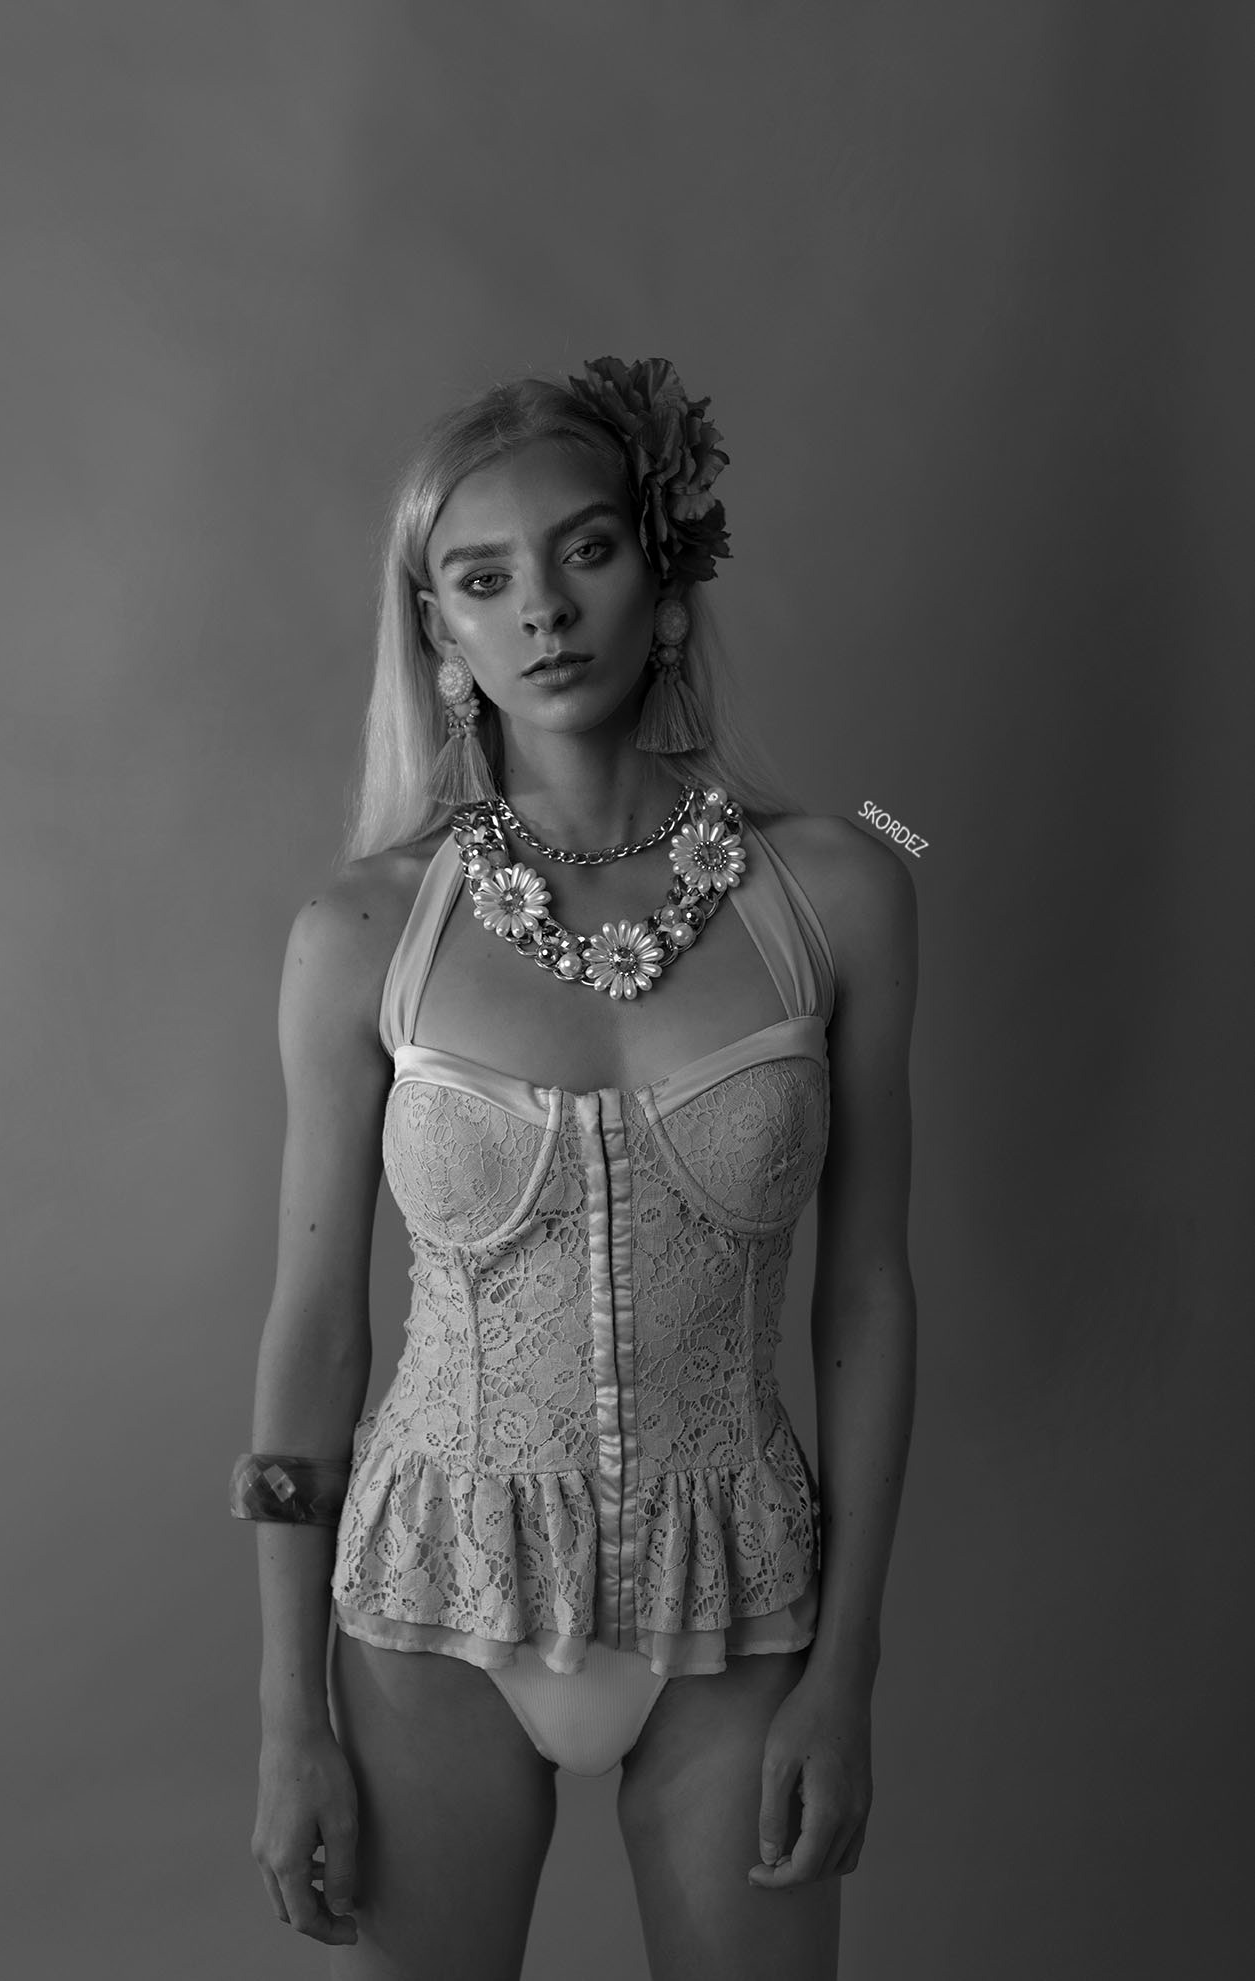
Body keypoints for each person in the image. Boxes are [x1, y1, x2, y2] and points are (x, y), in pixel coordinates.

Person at [231, 355, 918, 1981]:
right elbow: (314, 1334)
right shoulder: (360, 929)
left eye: (584, 550)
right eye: (482, 579)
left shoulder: (846, 881)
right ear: (439, 635)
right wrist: (286, 1716)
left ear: (661, 582)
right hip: (428, 1598)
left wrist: (848, 1669)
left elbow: (868, 1294)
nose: (541, 607)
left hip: (742, 1594)